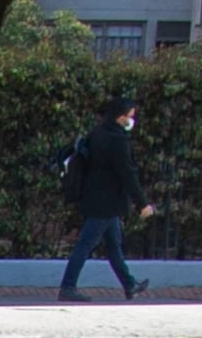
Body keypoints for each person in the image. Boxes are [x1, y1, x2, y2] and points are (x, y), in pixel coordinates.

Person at [61, 98, 146, 299]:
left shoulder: (98, 133)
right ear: (121, 117)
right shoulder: (117, 140)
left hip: (96, 198)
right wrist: (142, 203)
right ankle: (67, 287)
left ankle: (129, 284)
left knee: (114, 245)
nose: (131, 121)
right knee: (85, 245)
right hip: (106, 202)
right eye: (130, 117)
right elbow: (127, 174)